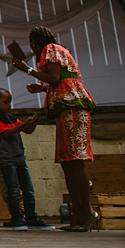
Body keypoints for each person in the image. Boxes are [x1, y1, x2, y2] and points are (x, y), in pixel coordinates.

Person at [15, 26, 99, 232]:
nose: (32, 49)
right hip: (66, 107)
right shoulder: (57, 51)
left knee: (74, 160)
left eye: (32, 44)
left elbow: (55, 78)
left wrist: (27, 69)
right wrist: (42, 88)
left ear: (36, 42)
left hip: (72, 106)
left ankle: (87, 211)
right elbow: (60, 79)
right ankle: (78, 214)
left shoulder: (51, 48)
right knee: (67, 161)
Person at [0, 87, 54, 231]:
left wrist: (33, 123)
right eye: (6, 102)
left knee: (28, 189)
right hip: (7, 159)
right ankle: (17, 219)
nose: (9, 105)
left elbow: (27, 130)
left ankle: (31, 217)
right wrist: (23, 124)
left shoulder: (11, 117)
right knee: (14, 190)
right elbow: (5, 133)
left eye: (10, 102)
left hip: (19, 157)